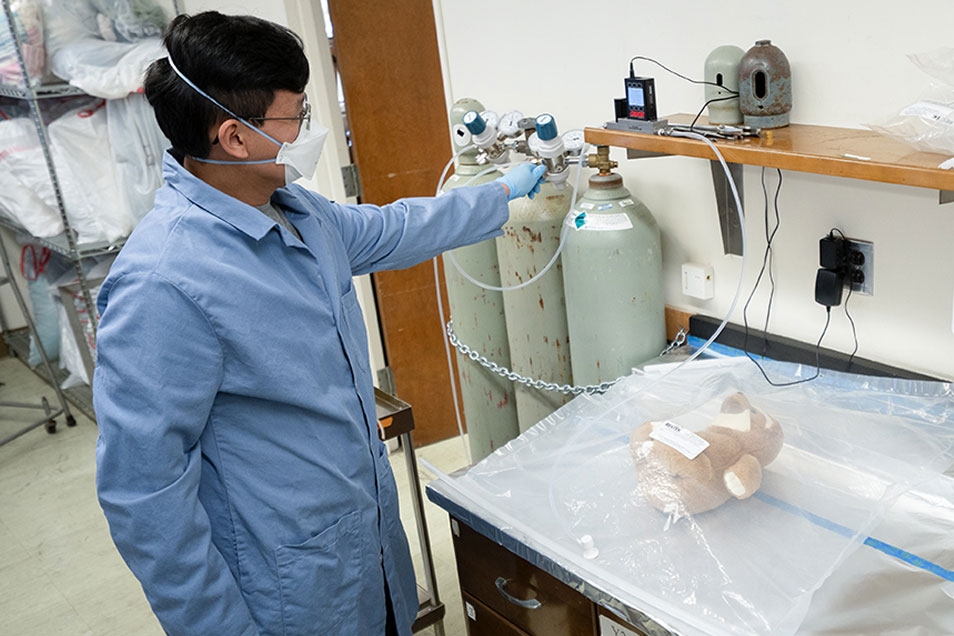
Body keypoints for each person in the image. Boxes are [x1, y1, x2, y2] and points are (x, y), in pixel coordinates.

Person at [92, 11, 545, 636]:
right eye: (298, 115)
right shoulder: (164, 283)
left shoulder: (297, 211)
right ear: (235, 136)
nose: (312, 129)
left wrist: (500, 192)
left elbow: (396, 229)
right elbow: (144, 494)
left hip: (365, 551)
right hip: (285, 595)